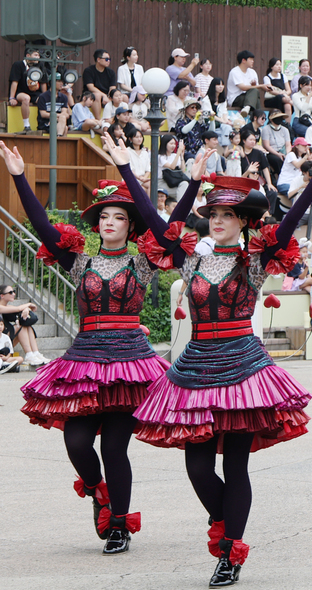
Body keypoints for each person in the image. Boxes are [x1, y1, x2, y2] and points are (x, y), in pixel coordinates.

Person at [114, 132, 312, 587]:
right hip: (195, 365)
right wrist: (140, 174)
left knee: (235, 465)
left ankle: (230, 553)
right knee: (197, 466)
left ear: (243, 221)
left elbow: (292, 218)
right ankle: (230, 523)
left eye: (226, 214)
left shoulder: (254, 260)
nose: (217, 220)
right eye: (213, 213)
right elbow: (159, 225)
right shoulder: (192, 259)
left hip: (243, 369)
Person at [2, 140, 190, 555]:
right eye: (103, 216)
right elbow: (40, 225)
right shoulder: (79, 261)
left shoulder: (142, 260)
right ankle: (98, 493)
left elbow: (171, 226)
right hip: (85, 359)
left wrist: (143, 175)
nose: (109, 222)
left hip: (129, 363)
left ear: (130, 225)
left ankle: (120, 525)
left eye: (118, 217)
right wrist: (18, 176)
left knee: (114, 448)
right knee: (76, 443)